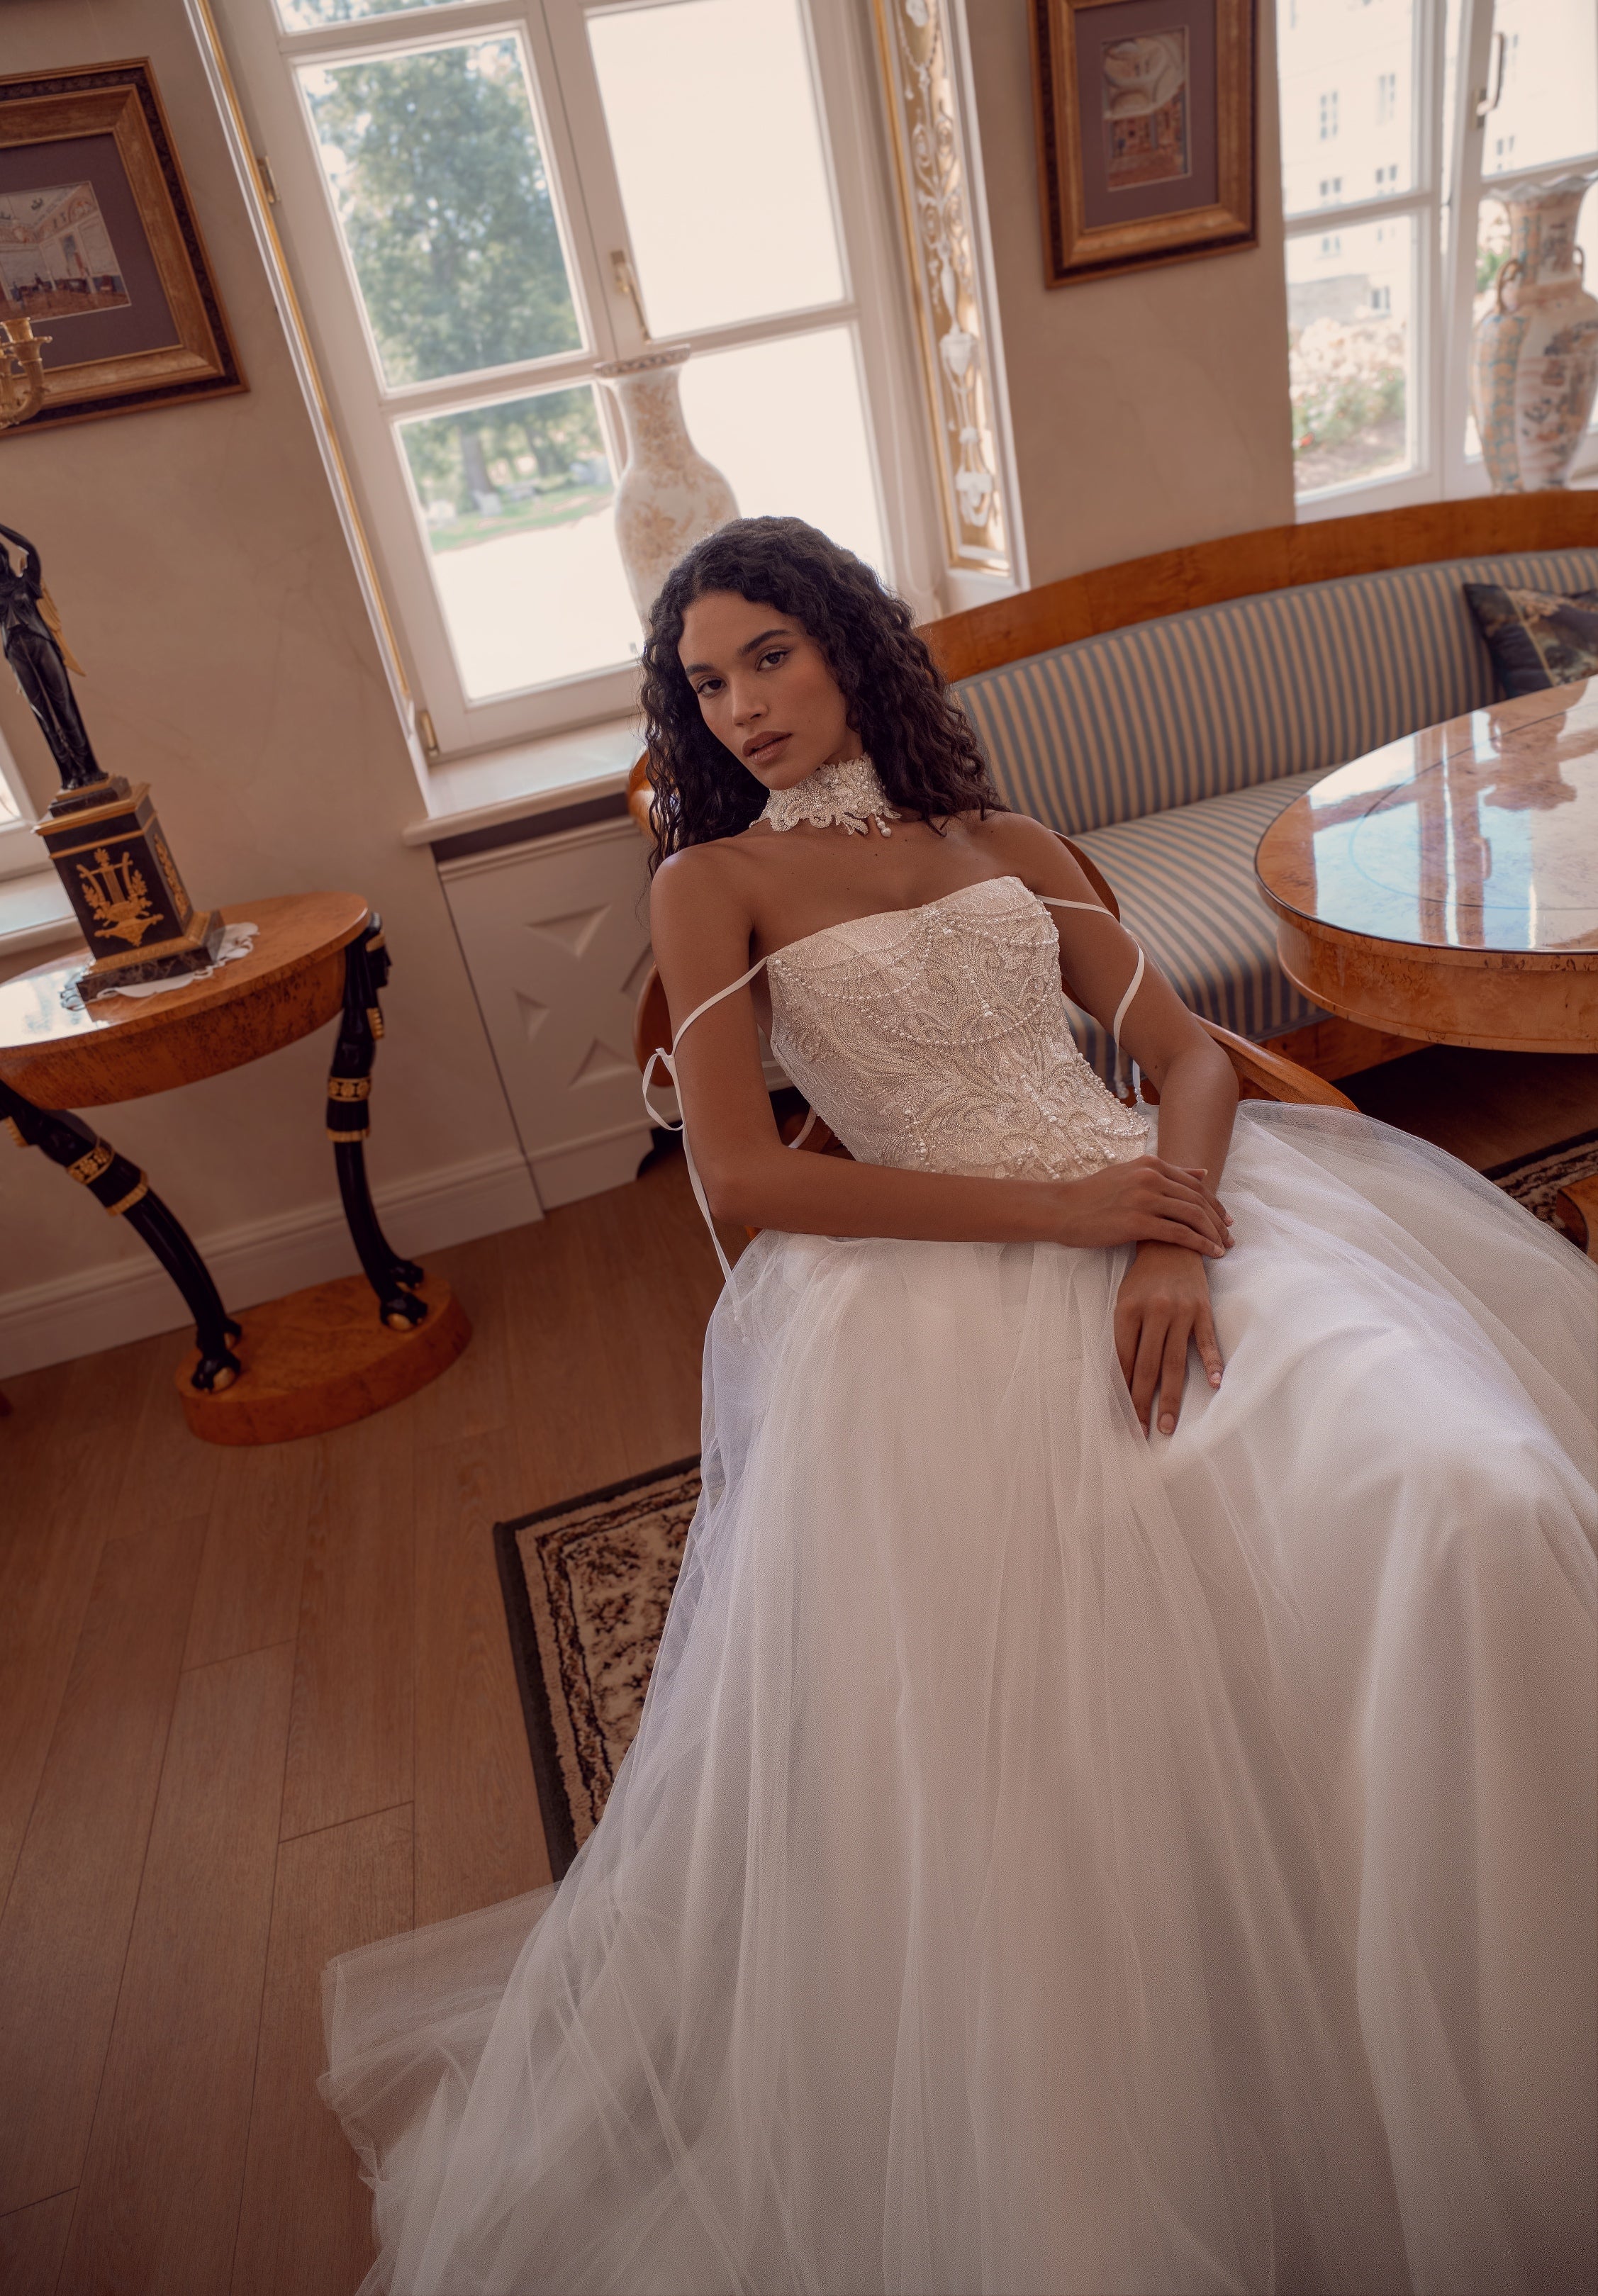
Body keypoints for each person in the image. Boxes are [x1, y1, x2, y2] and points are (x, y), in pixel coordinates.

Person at [323, 517, 1595, 2295]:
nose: (740, 706)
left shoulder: (1011, 843)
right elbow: (746, 1182)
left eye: (769, 655)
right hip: (927, 1291)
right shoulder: (711, 885)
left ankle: (1486, 1982)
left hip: (1174, 1221)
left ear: (851, 644)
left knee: (1484, 1491)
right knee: (1110, 1648)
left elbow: (1182, 1060)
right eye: (705, 683)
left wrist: (1165, 1229)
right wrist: (1069, 1220)